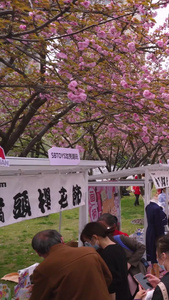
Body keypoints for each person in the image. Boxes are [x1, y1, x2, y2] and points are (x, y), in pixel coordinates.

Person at [30, 229, 112, 300]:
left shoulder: (43, 269)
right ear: (62, 240)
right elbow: (108, 278)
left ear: (38, 252)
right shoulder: (89, 251)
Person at [80, 222, 132, 300]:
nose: (88, 245)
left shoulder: (107, 254)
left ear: (94, 237)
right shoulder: (118, 247)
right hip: (125, 293)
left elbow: (112, 283)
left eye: (88, 242)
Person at [134, 233, 169, 300]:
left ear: (163, 256)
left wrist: (139, 298)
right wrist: (160, 283)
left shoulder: (161, 290)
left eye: (157, 256)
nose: (157, 260)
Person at [145, 193, 167, 277]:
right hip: (156, 232)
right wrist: (161, 237)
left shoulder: (148, 207)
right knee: (156, 251)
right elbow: (159, 224)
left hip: (150, 230)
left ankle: (154, 270)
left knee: (152, 250)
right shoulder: (157, 209)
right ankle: (156, 272)